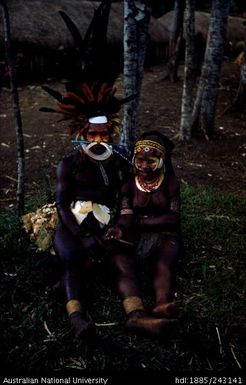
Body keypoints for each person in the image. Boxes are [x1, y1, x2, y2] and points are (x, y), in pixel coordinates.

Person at [105, 131, 182, 338]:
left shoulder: (171, 184)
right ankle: (135, 314)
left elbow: (173, 218)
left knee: (164, 263)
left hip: (166, 234)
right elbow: (125, 214)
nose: (144, 166)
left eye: (151, 161)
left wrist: (140, 222)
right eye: (139, 160)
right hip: (135, 235)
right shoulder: (129, 185)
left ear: (161, 161)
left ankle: (161, 304)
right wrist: (119, 228)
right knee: (120, 260)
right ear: (133, 160)